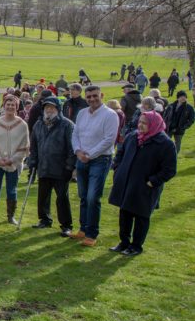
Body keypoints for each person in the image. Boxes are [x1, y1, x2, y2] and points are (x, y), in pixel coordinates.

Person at [108, 111, 177, 256]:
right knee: (125, 213)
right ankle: (124, 242)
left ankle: (136, 246)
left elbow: (169, 169)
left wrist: (153, 181)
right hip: (128, 182)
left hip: (146, 187)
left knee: (141, 216)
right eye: (140, 121)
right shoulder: (133, 136)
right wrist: (118, 168)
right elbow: (120, 153)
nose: (140, 125)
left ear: (154, 124)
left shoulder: (165, 143)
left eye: (145, 123)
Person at [71, 85, 120, 247]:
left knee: (93, 197)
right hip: (81, 158)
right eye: (89, 96)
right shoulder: (82, 113)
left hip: (100, 160)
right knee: (83, 195)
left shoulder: (110, 115)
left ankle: (92, 233)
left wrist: (89, 155)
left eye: (95, 96)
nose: (92, 99)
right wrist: (78, 151)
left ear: (102, 95)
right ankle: (83, 229)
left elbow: (109, 140)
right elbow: (76, 133)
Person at [27, 97, 76, 235]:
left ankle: (66, 225)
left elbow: (72, 148)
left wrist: (69, 167)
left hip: (61, 168)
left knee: (62, 198)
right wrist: (32, 162)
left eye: (52, 107)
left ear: (58, 109)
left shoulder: (67, 125)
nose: (49, 110)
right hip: (43, 166)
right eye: (46, 107)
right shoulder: (38, 124)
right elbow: (34, 146)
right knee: (43, 196)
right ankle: (44, 220)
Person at [0, 95, 29, 224]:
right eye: (7, 104)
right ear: (4, 106)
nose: (10, 107)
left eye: (13, 105)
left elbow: (24, 145)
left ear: (17, 107)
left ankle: (11, 216)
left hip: (14, 163)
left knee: (12, 189)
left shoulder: (22, 125)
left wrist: (12, 159)